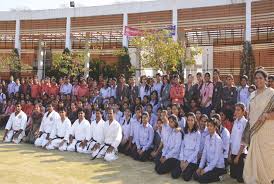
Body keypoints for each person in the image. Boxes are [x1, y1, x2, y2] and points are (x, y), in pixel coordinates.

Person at [243, 69, 274, 184]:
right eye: (256, 78)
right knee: (253, 160)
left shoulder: (271, 93)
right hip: (254, 132)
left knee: (267, 159)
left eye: (261, 78)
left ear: (266, 80)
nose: (258, 80)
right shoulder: (252, 94)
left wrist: (267, 115)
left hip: (267, 132)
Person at [193, 118, 225, 183]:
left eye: (211, 126)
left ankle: (222, 176)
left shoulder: (218, 140)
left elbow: (216, 159)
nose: (209, 127)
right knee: (195, 175)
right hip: (209, 165)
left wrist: (205, 170)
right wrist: (200, 167)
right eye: (208, 126)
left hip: (217, 167)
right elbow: (204, 155)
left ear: (215, 127)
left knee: (202, 179)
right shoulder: (207, 138)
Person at [171, 112, 201, 181]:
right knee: (174, 175)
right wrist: (181, 160)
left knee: (186, 178)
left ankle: (189, 169)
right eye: (188, 120)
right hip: (183, 157)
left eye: (192, 120)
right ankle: (183, 169)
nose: (190, 122)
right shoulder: (185, 131)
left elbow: (196, 150)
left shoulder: (197, 133)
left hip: (191, 160)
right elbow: (182, 146)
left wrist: (187, 162)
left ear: (195, 121)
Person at [229, 103, 248, 183]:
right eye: (235, 109)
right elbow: (231, 139)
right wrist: (229, 154)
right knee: (232, 176)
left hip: (240, 154)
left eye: (238, 110)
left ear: (243, 112)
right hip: (233, 152)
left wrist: (238, 156)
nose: (236, 112)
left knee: (240, 179)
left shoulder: (246, 123)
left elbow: (245, 141)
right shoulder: (235, 122)